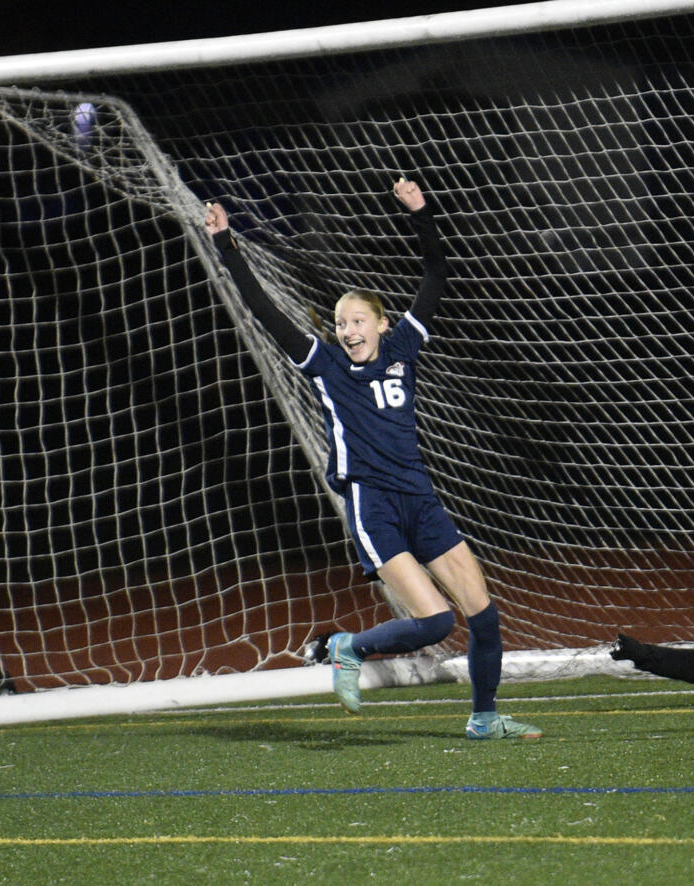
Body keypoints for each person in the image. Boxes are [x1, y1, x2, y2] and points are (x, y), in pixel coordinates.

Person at [203, 179, 541, 740]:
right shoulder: (327, 366)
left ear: (382, 325)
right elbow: (262, 308)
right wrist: (226, 245)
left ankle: (485, 718)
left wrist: (422, 212)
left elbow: (435, 273)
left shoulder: (404, 346)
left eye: (358, 320)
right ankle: (346, 648)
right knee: (435, 621)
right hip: (373, 503)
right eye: (340, 323)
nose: (348, 329)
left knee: (482, 613)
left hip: (421, 498)